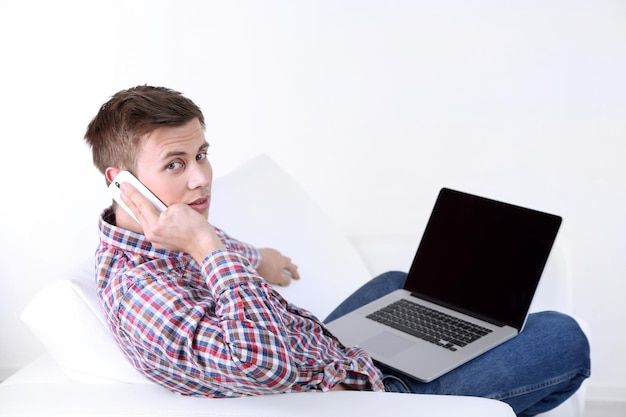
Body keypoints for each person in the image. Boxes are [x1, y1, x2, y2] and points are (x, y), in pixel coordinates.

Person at [84, 85, 590, 416]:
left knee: (399, 284)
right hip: (353, 403)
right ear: (121, 182)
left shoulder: (157, 236)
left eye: (201, 154)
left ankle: (437, 349)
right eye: (175, 164)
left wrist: (258, 258)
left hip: (328, 356)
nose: (200, 178)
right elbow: (265, 365)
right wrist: (207, 246)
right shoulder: (142, 293)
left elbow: (211, 249)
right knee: (561, 336)